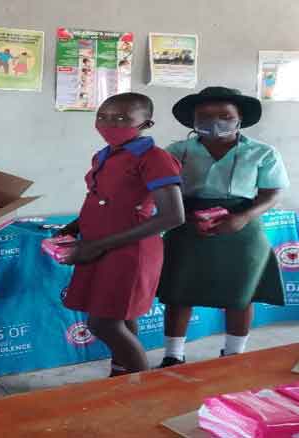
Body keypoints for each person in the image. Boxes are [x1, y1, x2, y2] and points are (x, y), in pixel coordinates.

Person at [157, 87, 290, 368]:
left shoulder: (262, 153)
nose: (215, 121)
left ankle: (233, 355)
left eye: (224, 115)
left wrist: (242, 218)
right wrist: (183, 215)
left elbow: (272, 194)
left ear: (239, 118)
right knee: (179, 291)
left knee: (240, 294)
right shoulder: (176, 152)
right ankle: (173, 355)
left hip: (242, 227)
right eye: (204, 116)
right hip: (187, 224)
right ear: (192, 120)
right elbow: (163, 189)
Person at [57, 93, 185, 376]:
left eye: (122, 118)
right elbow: (106, 200)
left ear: (145, 123)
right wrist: (74, 227)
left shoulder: (156, 159)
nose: (109, 123)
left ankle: (145, 391)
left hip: (129, 252)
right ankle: (121, 374)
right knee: (122, 318)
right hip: (99, 246)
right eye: (102, 116)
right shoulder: (104, 156)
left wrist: (98, 245)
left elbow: (173, 215)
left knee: (103, 323)